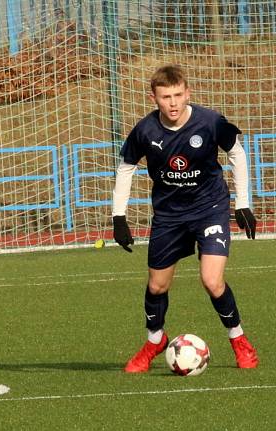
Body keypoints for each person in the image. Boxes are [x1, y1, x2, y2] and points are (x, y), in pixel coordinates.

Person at [110, 64, 259, 372]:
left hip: (210, 208)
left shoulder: (210, 122)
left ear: (188, 93)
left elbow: (237, 154)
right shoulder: (145, 131)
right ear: (154, 97)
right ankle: (154, 341)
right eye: (166, 97)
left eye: (178, 95)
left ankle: (239, 341)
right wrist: (118, 217)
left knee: (211, 280)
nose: (173, 103)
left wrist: (243, 203)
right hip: (168, 215)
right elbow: (126, 167)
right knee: (157, 286)